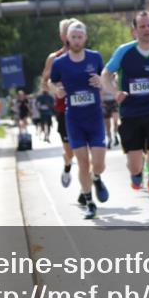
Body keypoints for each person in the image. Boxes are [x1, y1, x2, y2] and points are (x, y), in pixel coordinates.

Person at [104, 11, 149, 222]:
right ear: (134, 30)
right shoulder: (124, 51)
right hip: (131, 113)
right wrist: (114, 92)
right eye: (142, 26)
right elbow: (106, 75)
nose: (147, 30)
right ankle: (136, 174)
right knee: (134, 165)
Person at [49, 21, 110, 220]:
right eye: (73, 37)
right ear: (67, 38)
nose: (76, 40)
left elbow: (108, 78)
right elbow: (51, 81)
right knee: (83, 162)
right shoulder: (60, 63)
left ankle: (96, 177)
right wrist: (56, 90)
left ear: (85, 38)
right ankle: (89, 202)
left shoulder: (95, 57)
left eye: (80, 36)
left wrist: (101, 82)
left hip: (94, 118)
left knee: (98, 163)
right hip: (74, 119)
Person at [42, 18, 79, 187]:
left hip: (85, 108)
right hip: (63, 109)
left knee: (84, 152)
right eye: (69, 32)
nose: (73, 36)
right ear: (62, 35)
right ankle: (67, 165)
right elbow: (45, 82)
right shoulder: (54, 58)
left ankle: (85, 191)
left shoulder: (87, 56)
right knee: (70, 152)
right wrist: (56, 89)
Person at [99, 70, 120, 148]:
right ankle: (109, 138)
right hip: (105, 103)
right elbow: (100, 94)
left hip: (114, 102)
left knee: (115, 120)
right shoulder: (102, 82)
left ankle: (115, 135)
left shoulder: (115, 82)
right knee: (107, 124)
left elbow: (118, 91)